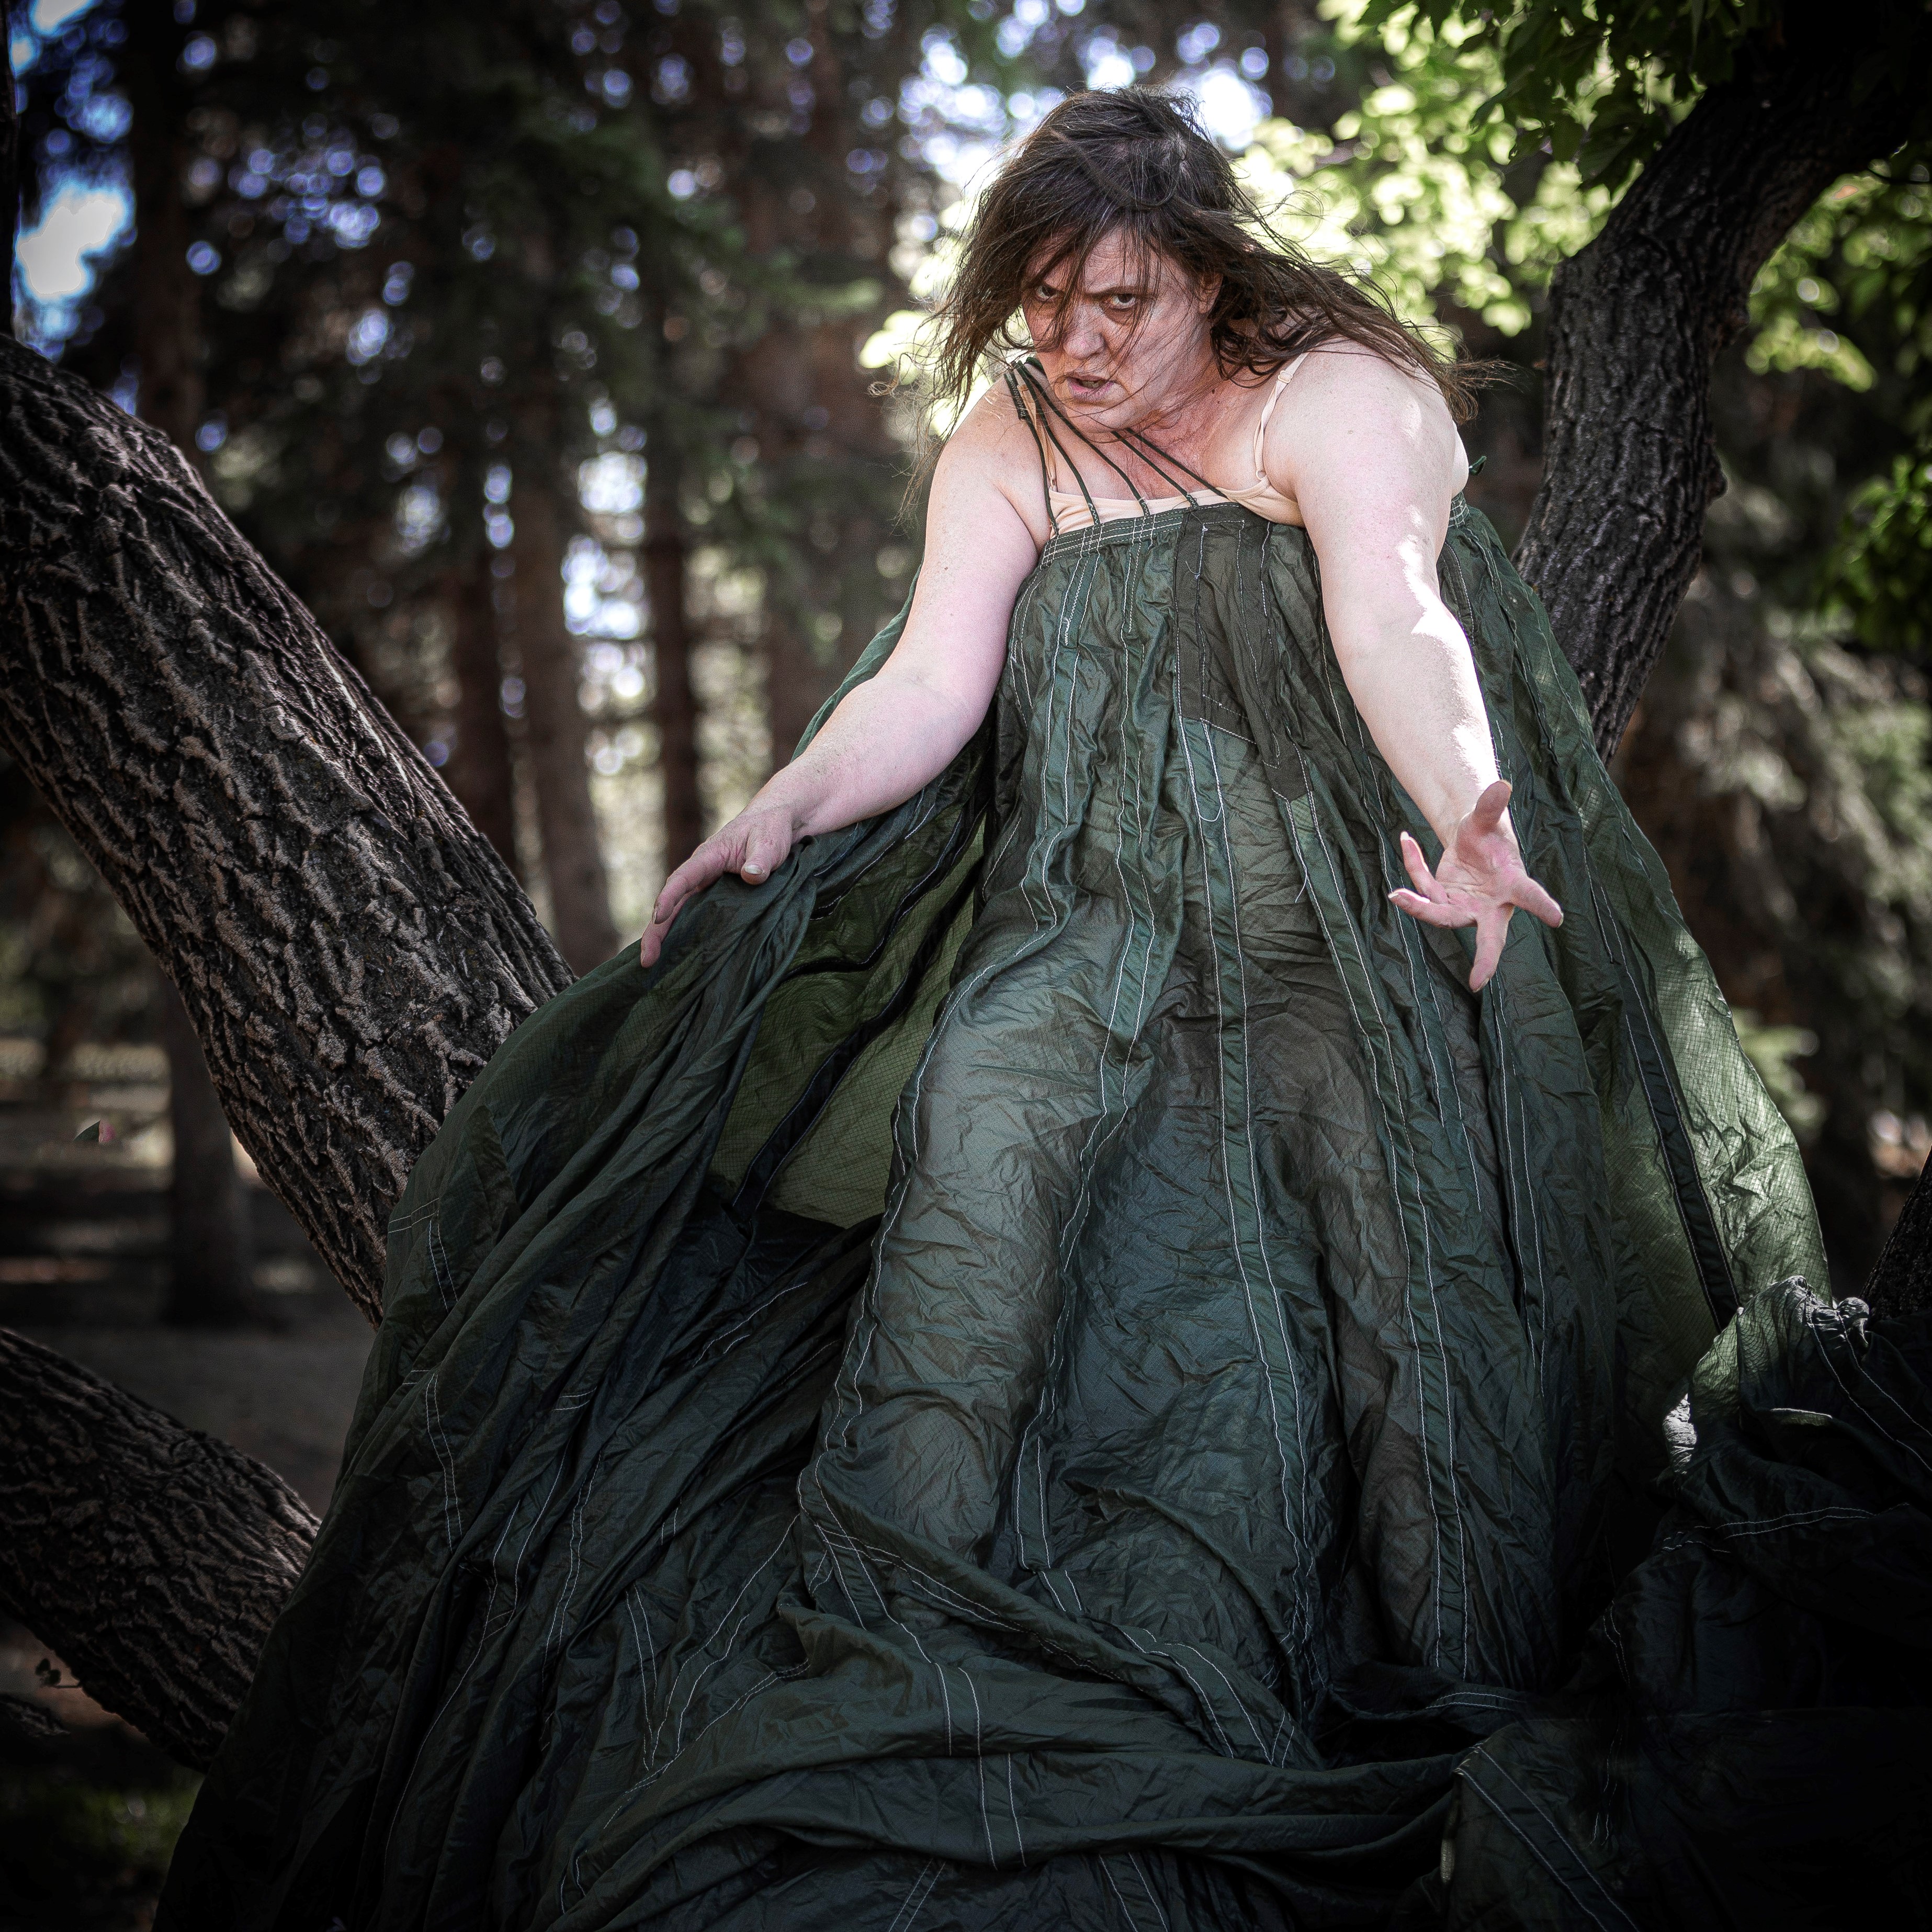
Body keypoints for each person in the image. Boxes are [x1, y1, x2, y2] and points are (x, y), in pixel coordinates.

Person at [162, 92, 1930, 1932]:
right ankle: (895, 1639)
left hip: (1338, 942)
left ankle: (1440, 1691)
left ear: (1212, 279)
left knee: (1405, 1291)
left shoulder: (1331, 392)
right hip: (1091, 930)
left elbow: (1397, 614)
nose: (1081, 344)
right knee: (980, 1141)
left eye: (1124, 303)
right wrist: (786, 798)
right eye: (1046, 302)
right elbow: (935, 675)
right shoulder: (1009, 438)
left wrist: (1471, 805)